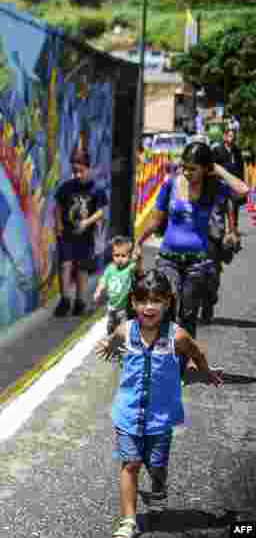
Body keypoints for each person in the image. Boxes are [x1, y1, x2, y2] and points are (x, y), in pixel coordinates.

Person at [94, 269, 223, 538]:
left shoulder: (177, 337)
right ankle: (129, 520)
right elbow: (113, 340)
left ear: (168, 302)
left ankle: (159, 488)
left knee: (156, 466)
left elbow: (196, 352)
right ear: (133, 302)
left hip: (160, 418)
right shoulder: (126, 330)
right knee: (130, 464)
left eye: (156, 300)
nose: (148, 307)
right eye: (142, 300)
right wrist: (107, 345)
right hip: (128, 414)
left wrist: (206, 372)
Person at [134, 141, 249, 335]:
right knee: (166, 309)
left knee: (188, 316)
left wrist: (218, 169)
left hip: (198, 263)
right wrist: (138, 242)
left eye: (193, 169)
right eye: (184, 167)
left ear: (205, 169)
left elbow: (244, 190)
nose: (186, 173)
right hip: (168, 258)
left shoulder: (214, 187)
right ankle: (164, 358)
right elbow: (155, 219)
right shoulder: (170, 183)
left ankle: (183, 361)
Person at [54, 147, 107, 316]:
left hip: (85, 235)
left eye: (81, 171)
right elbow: (57, 206)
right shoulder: (66, 187)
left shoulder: (96, 189)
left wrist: (87, 222)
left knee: (82, 268)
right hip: (67, 233)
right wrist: (58, 225)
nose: (77, 175)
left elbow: (101, 211)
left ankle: (80, 301)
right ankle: (65, 300)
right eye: (74, 171)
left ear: (88, 168)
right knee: (65, 264)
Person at [94, 235, 137, 336]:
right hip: (112, 307)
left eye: (123, 256)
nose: (120, 259)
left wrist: (138, 258)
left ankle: (124, 345)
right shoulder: (110, 268)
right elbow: (103, 280)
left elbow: (138, 267)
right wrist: (98, 291)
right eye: (117, 255)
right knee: (111, 328)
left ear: (129, 255)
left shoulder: (130, 267)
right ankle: (111, 341)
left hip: (125, 308)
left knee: (123, 331)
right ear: (112, 255)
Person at [212, 124, 244, 252]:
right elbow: (213, 168)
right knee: (220, 213)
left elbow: (241, 169)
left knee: (233, 211)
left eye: (233, 136)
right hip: (220, 187)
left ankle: (233, 238)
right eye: (230, 135)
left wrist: (241, 185)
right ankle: (219, 238)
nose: (232, 138)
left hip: (234, 186)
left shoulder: (237, 150)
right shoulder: (217, 150)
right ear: (224, 136)